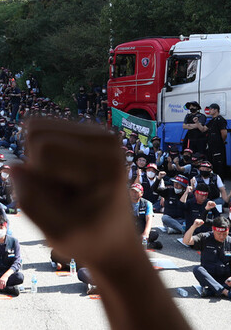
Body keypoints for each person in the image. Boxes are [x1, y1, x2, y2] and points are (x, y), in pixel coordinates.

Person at [12, 118, 190, 330]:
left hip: (126, 239)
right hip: (104, 253)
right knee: (80, 270)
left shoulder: (143, 203)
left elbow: (148, 220)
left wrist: (115, 252)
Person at [182, 216, 231, 302]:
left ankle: (212, 290)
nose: (222, 236)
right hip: (209, 277)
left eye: (224, 234)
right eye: (219, 234)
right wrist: (193, 227)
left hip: (226, 279)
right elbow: (186, 241)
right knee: (197, 269)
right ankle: (225, 292)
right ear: (213, 230)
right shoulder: (205, 237)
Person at [130, 183, 163, 249]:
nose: (134, 194)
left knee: (154, 234)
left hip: (141, 230)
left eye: (136, 192)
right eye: (132, 191)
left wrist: (146, 233)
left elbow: (149, 219)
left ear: (141, 193)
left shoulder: (147, 204)